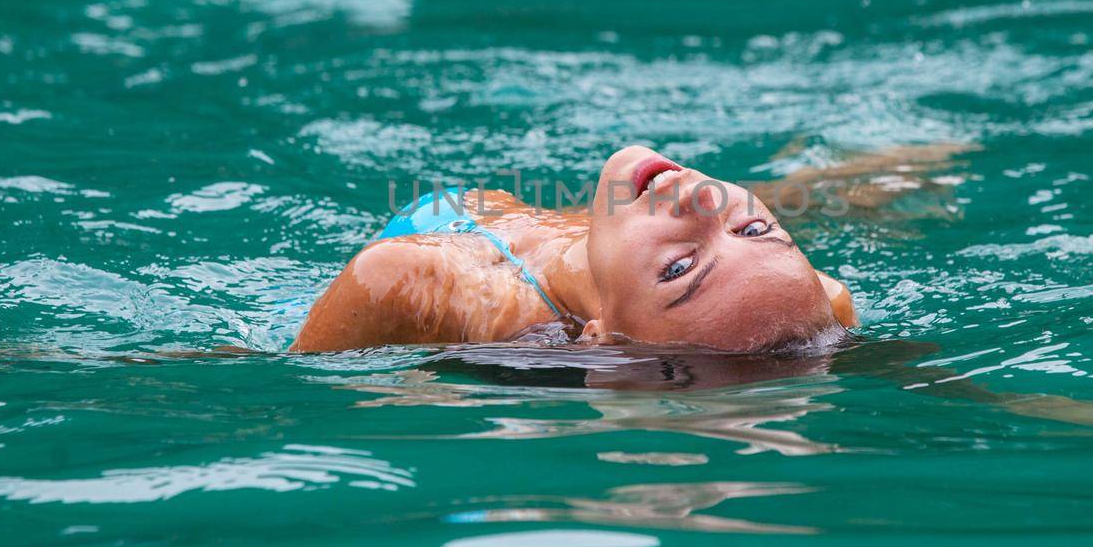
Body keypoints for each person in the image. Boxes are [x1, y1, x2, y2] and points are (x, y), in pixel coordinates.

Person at [290, 143, 960, 353]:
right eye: (757, 230)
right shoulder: (819, 304)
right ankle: (837, 182)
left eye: (681, 270)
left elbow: (273, 377)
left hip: (463, 229)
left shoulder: (409, 280)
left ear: (602, 338)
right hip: (603, 234)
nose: (706, 202)